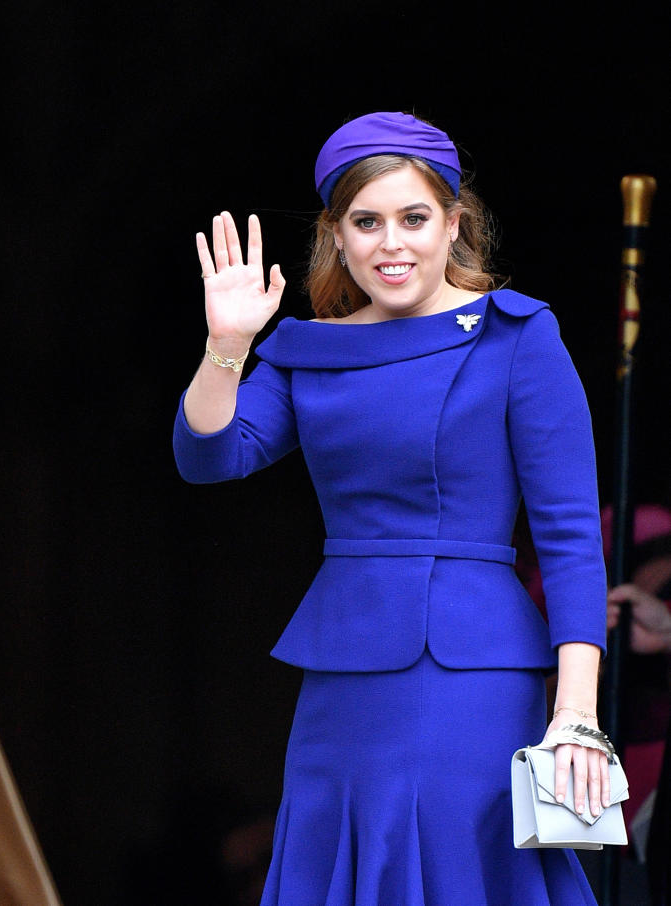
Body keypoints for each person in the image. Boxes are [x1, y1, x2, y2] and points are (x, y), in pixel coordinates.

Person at [173, 111, 611, 904]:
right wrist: (225, 343)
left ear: (453, 223)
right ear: (336, 236)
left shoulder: (517, 337)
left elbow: (572, 537)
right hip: (344, 669)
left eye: (413, 218)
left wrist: (575, 714)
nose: (391, 243)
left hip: (472, 669)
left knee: (455, 866)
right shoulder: (310, 349)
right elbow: (210, 456)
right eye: (366, 222)